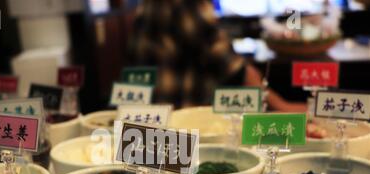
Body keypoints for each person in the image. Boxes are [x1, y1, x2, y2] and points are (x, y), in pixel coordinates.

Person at [127, 0, 307, 112]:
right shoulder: (185, 3)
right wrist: (284, 107)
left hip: (150, 120)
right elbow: (232, 67)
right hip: (176, 120)